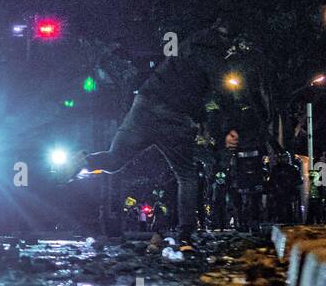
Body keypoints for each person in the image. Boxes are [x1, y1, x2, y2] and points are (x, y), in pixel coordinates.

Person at [71, 24, 234, 240]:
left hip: (144, 106)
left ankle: (84, 161)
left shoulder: (186, 46)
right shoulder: (213, 57)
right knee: (186, 175)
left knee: (115, 159)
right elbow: (222, 91)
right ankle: (186, 232)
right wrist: (229, 126)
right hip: (174, 118)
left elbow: (186, 86)